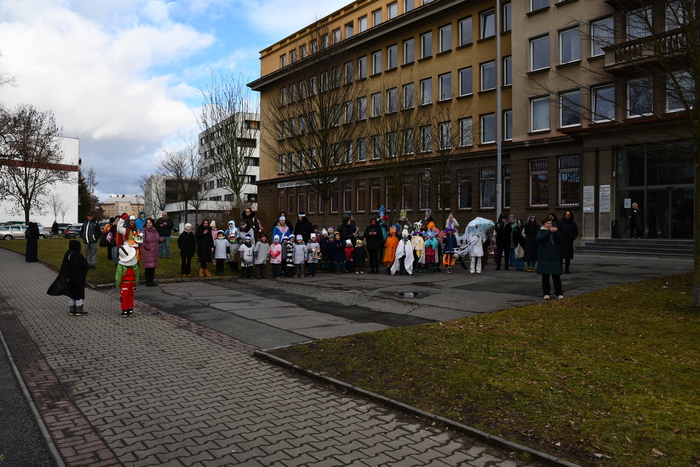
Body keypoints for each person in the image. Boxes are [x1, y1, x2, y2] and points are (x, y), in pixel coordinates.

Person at [56, 240, 89, 315]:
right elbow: (84, 266)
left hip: (69, 277)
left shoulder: (68, 254)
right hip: (77, 277)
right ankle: (79, 309)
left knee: (71, 293)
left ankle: (72, 309)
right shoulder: (78, 255)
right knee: (78, 293)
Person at [536, 218, 565, 300]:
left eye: (550, 223)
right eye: (547, 223)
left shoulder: (554, 232)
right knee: (545, 276)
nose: (549, 225)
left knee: (556, 276)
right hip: (544, 257)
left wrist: (556, 232)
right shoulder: (540, 231)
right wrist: (549, 232)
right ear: (543, 224)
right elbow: (539, 239)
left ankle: (559, 293)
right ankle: (546, 293)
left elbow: (561, 240)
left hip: (554, 257)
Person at [115, 244, 139, 317]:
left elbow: (119, 274)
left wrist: (117, 283)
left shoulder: (121, 265)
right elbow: (137, 274)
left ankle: (125, 310)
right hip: (132, 282)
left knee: (124, 296)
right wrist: (136, 283)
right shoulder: (134, 264)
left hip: (125, 283)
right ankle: (130, 309)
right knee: (131, 295)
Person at [141, 218, 160, 286]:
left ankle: (152, 280)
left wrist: (159, 241)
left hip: (154, 251)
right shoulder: (144, 231)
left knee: (153, 267)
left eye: (150, 223)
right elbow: (141, 241)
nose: (148, 224)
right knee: (148, 267)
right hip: (148, 251)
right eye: (147, 223)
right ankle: (148, 281)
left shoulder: (155, 230)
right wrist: (148, 247)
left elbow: (157, 239)